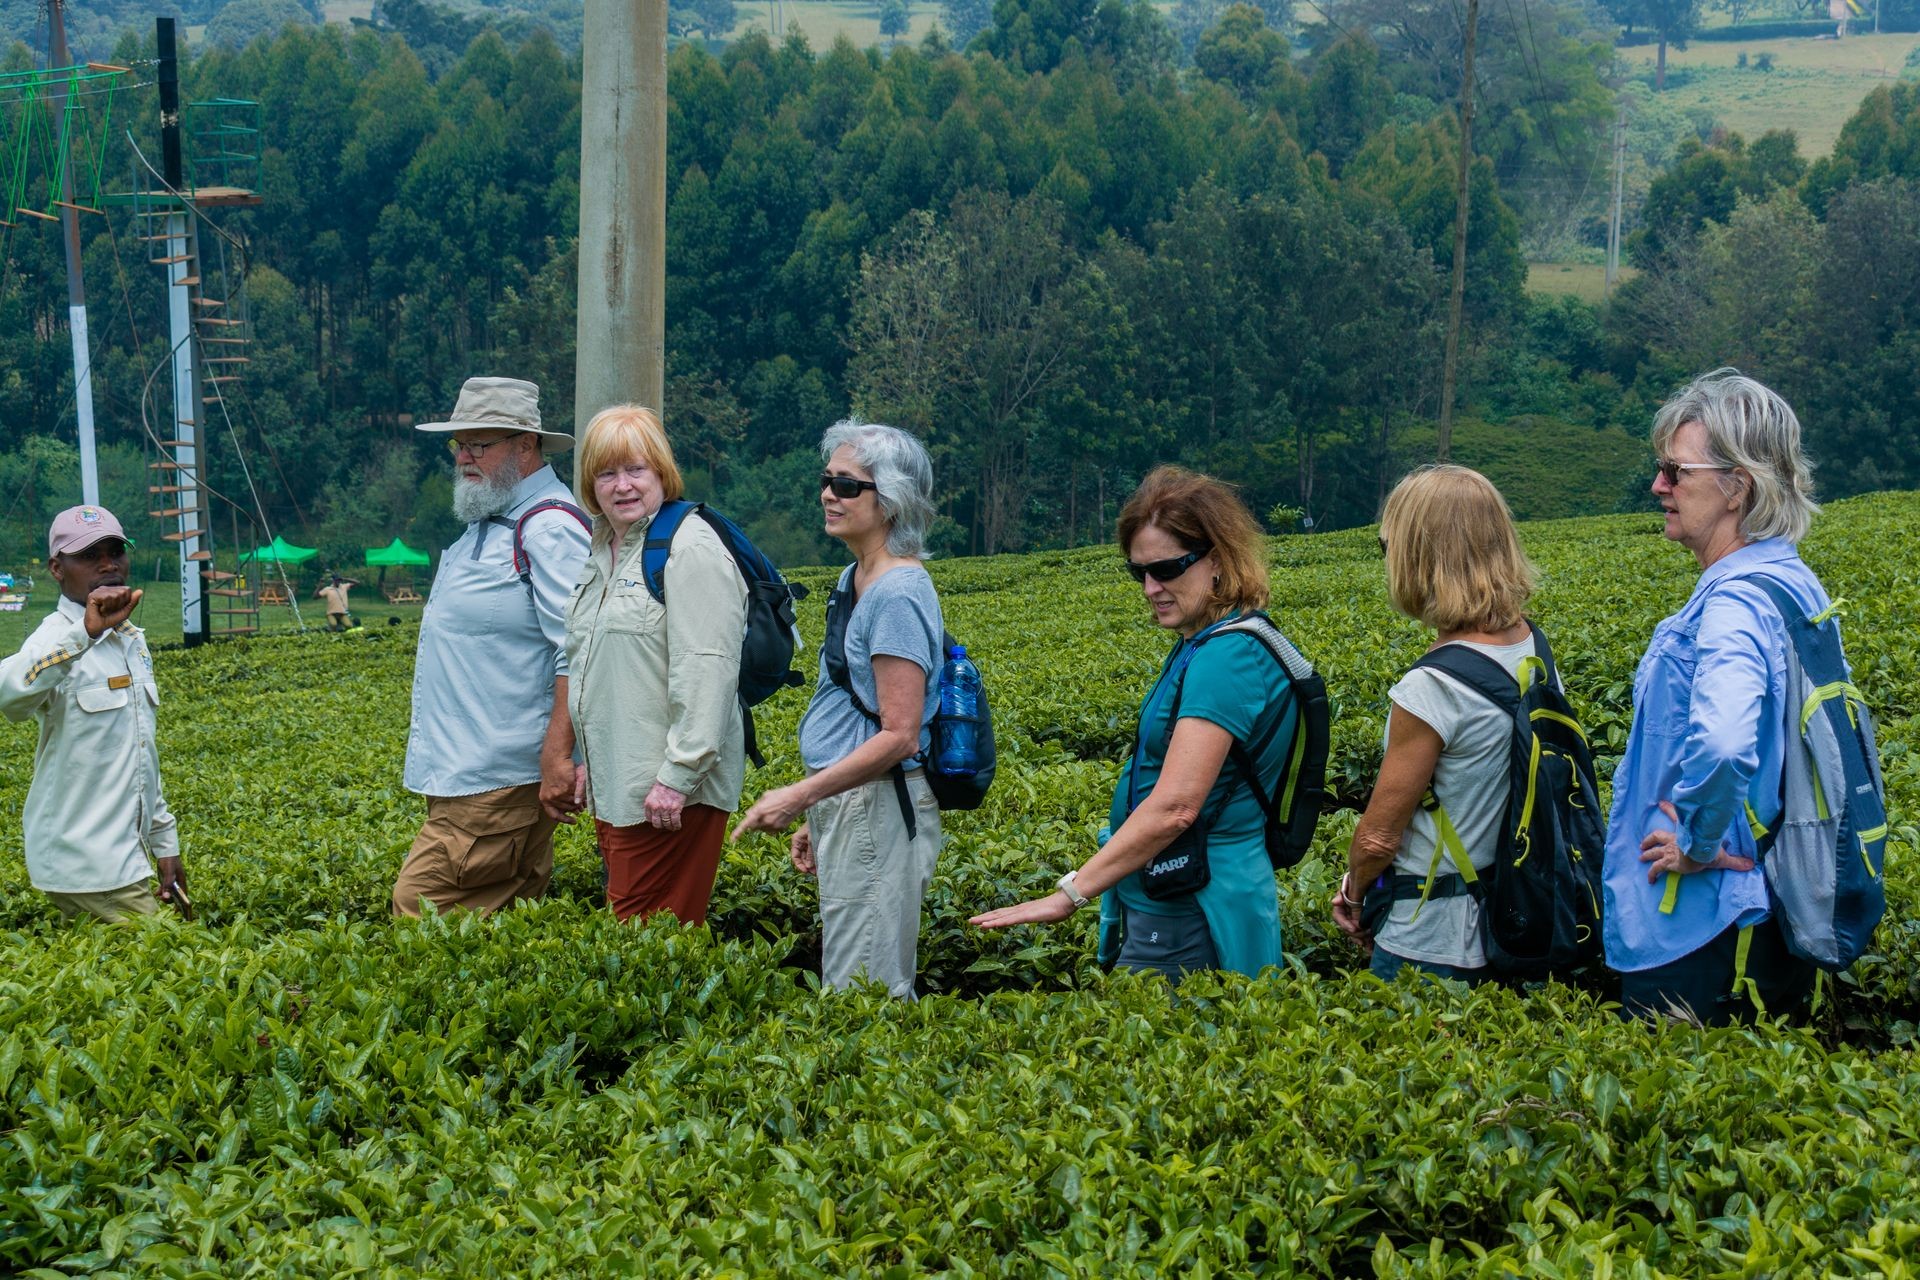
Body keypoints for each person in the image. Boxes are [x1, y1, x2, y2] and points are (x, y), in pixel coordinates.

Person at [970, 466, 1297, 981]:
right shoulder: (1207, 644)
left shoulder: (1227, 657)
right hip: (1172, 887)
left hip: (1192, 899)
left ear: (1216, 559)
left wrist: (1070, 893)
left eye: (1167, 568)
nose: (1150, 587)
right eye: (1138, 572)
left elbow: (1176, 807)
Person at [1606, 369, 1829, 1025]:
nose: (1659, 486)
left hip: (1700, 920)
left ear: (1739, 486)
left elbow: (1728, 743)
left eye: (1677, 473)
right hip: (1768, 902)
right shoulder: (1793, 582)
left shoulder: (1733, 604)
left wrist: (1698, 844)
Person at [732, 420, 944, 998]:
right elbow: (857, 713)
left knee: (864, 991)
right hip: (853, 803)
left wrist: (800, 795)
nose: (829, 494)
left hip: (878, 804)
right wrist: (817, 812)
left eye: (848, 485)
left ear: (892, 500)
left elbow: (901, 734)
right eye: (827, 480)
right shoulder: (856, 576)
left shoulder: (897, 593)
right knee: (854, 970)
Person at [1329, 465, 1543, 983]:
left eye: (1390, 548)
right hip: (1512, 916)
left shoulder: (1433, 686)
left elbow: (1380, 837)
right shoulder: (1531, 646)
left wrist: (1354, 892)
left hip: (1431, 934)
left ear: (1420, 557)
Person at [392, 376, 591, 917]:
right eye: (460, 444)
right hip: (470, 779)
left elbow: (578, 649)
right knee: (490, 934)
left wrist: (557, 756)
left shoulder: (548, 529)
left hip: (500, 777)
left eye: (481, 444)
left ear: (526, 445)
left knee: (418, 911)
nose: (464, 457)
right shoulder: (491, 522)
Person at [544, 405, 747, 925]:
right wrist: (590, 757)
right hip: (620, 786)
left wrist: (676, 779)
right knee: (639, 940)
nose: (622, 486)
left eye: (637, 469)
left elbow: (708, 670)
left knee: (644, 941)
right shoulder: (603, 548)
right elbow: (602, 670)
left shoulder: (690, 547)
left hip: (667, 792)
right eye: (607, 473)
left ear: (662, 472)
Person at [0, 506, 188, 922]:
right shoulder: (55, 636)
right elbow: (8, 695)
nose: (108, 565)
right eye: (88, 555)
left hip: (123, 857)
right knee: (182, 960)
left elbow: (141, 754)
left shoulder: (131, 639)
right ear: (57, 568)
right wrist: (83, 634)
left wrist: (165, 842)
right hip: (85, 860)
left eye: (115, 551)